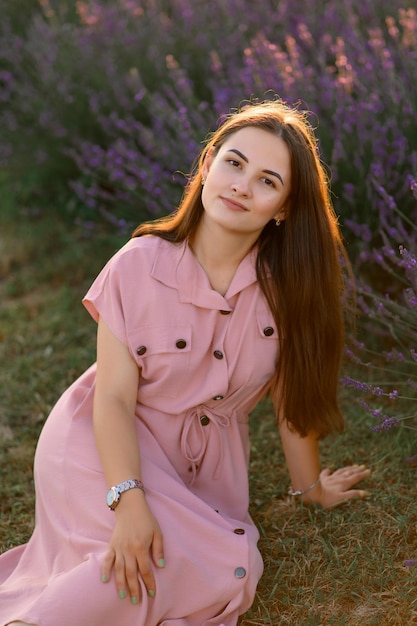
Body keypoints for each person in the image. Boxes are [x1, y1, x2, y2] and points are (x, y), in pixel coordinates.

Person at [0, 98, 370, 626]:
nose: (242, 185)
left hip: (202, 471)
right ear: (207, 166)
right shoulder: (137, 264)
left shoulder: (291, 290)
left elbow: (292, 401)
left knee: (227, 569)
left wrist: (311, 490)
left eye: (267, 180)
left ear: (285, 207)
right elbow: (112, 397)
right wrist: (128, 503)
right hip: (103, 446)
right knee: (142, 556)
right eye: (234, 163)